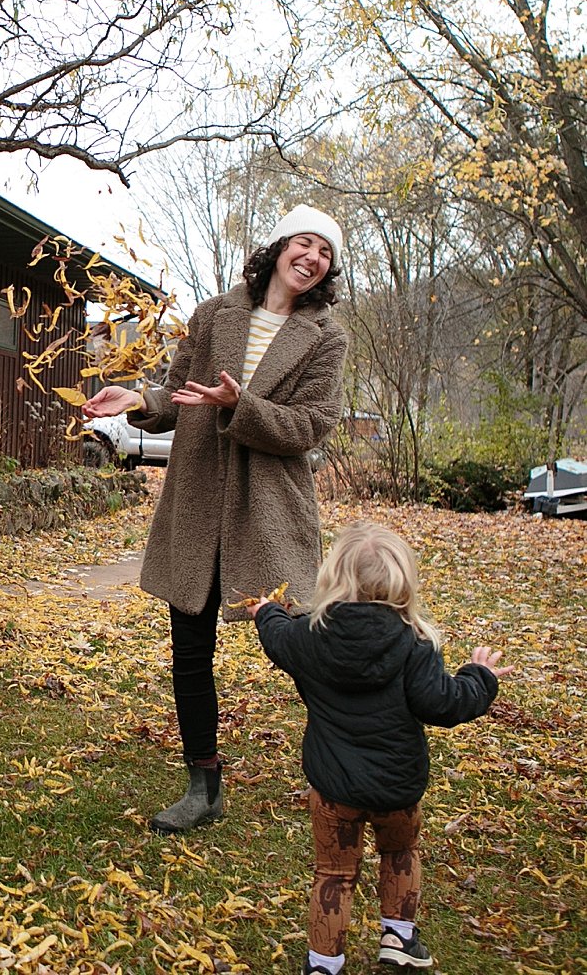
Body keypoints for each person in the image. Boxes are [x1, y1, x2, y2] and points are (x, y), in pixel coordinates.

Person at [83, 205, 349, 833]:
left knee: (299, 645)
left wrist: (242, 404)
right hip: (198, 498)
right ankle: (203, 787)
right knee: (190, 650)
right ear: (280, 247)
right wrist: (138, 400)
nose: (311, 259)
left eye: (325, 254)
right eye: (304, 244)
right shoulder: (215, 313)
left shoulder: (326, 336)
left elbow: (312, 427)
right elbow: (178, 392)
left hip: (270, 507)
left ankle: (350, 760)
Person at [251, 522, 510, 974]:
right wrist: (480, 677)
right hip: (398, 786)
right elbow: (445, 704)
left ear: (332, 578)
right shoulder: (415, 643)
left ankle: (323, 964)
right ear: (403, 584)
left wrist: (267, 612)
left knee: (334, 874)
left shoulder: (310, 636)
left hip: (333, 790)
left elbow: (277, 637)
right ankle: (399, 936)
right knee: (400, 854)